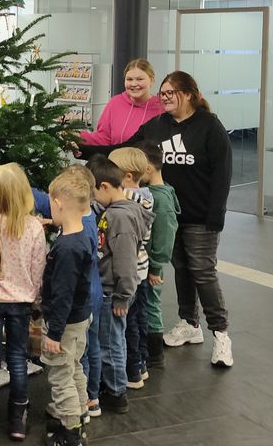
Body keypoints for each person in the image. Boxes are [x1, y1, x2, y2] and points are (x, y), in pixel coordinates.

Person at [80, 71, 233, 368]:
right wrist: (85, 149)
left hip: (201, 215)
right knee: (182, 268)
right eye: (162, 94)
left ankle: (221, 333)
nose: (164, 98)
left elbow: (223, 171)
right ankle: (190, 322)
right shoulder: (157, 126)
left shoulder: (209, 127)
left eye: (170, 93)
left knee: (203, 271)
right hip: (169, 213)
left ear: (189, 94)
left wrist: (217, 213)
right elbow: (123, 148)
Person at [0, 164, 45, 441]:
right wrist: (36, 297)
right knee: (19, 359)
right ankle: (18, 418)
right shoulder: (33, 226)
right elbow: (38, 267)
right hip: (22, 301)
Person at [86, 155, 150, 415]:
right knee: (111, 339)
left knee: (111, 342)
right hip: (111, 290)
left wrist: (123, 296)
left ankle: (116, 392)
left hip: (115, 293)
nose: (92, 200)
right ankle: (113, 384)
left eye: (93, 193)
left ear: (105, 187)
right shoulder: (114, 211)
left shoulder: (120, 218)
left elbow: (125, 262)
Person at [41, 169, 94, 446]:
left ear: (59, 202)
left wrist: (53, 334)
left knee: (60, 375)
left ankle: (70, 431)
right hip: (80, 318)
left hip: (65, 323)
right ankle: (81, 414)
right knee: (74, 367)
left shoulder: (67, 248)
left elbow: (62, 295)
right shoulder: (82, 234)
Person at [107, 147, 154, 389]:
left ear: (125, 176)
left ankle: (132, 370)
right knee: (139, 318)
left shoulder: (126, 198)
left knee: (128, 324)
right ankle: (142, 364)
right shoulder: (147, 195)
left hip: (130, 269)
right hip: (142, 269)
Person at [135, 140, 179, 368]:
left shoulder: (160, 200)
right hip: (149, 263)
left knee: (152, 303)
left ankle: (155, 353)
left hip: (153, 265)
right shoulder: (155, 193)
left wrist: (156, 267)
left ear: (148, 169)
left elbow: (164, 238)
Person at [80, 59, 163, 146]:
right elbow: (103, 139)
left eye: (140, 79)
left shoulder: (162, 107)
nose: (134, 84)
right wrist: (77, 136)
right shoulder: (115, 103)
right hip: (115, 159)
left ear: (152, 80)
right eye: (129, 79)